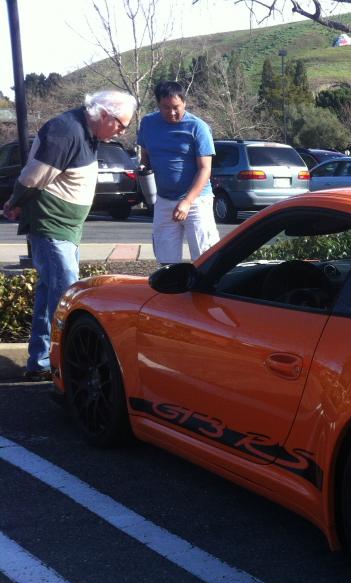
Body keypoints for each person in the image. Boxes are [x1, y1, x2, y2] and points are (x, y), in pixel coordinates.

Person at [2, 90, 137, 381]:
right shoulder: (65, 131)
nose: (122, 132)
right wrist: (15, 203)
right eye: (121, 125)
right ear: (105, 115)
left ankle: (41, 362)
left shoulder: (86, 132)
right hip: (52, 227)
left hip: (65, 228)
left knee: (51, 292)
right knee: (66, 297)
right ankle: (63, 368)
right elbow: (33, 177)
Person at [137, 81, 219, 264]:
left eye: (176, 107)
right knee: (166, 259)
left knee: (205, 258)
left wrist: (187, 201)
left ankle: (203, 283)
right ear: (158, 104)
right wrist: (143, 168)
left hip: (196, 201)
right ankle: (171, 283)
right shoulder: (148, 123)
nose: (172, 112)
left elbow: (205, 168)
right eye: (166, 107)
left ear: (184, 103)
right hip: (163, 200)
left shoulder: (198, 127)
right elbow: (145, 155)